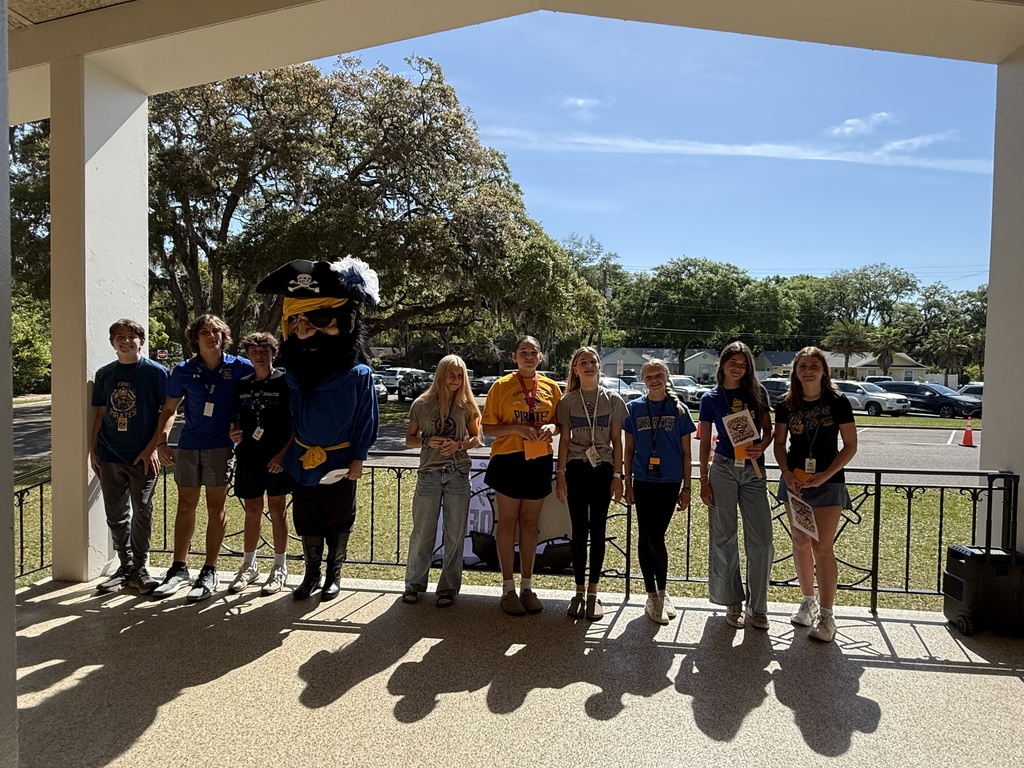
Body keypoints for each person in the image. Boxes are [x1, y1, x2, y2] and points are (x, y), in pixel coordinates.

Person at [256, 257, 380, 601]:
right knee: (306, 519)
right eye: (295, 322)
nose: (304, 331)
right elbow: (291, 421)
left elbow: (366, 421)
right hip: (302, 460)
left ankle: (332, 577)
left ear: (348, 320)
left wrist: (358, 458)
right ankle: (310, 575)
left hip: (339, 460)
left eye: (318, 320)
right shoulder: (293, 377)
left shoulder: (359, 376)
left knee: (338, 519)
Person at [152, 315, 254, 601]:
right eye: (205, 332)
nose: (212, 336)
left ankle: (210, 570)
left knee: (215, 506)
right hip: (188, 446)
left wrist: (240, 426)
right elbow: (169, 409)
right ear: (195, 338)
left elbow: (253, 403)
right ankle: (179, 568)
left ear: (225, 336)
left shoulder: (240, 367)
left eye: (217, 331)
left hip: (221, 447)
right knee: (185, 505)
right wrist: (162, 442)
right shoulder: (183, 370)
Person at [773, 346, 858, 643]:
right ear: (795, 372)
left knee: (822, 547)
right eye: (802, 366)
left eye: (814, 366)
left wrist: (825, 475)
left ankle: (827, 614)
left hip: (828, 483)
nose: (808, 371)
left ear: (824, 370)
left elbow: (849, 445)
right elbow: (779, 443)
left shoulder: (838, 402)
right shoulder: (786, 404)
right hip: (795, 483)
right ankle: (807, 602)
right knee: (799, 542)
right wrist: (786, 473)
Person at [481, 336, 561, 616]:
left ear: (541, 357)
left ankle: (527, 586)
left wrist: (551, 427)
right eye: (523, 352)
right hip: (508, 461)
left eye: (534, 352)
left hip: (538, 459)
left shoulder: (551, 387)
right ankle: (507, 587)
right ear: (514, 357)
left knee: (530, 524)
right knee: (508, 522)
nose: (528, 356)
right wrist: (516, 429)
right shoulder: (501, 386)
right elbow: (488, 429)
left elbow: (559, 423)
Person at [698, 341, 775, 630]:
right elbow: (704, 441)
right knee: (723, 536)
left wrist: (763, 446)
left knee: (762, 541)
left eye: (743, 363)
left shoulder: (757, 392)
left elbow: (769, 429)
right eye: (733, 362)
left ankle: (759, 606)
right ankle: (732, 602)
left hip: (754, 471)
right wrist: (703, 480)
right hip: (723, 470)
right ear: (723, 364)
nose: (738, 367)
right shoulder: (711, 398)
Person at [90, 318, 169, 594]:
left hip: (143, 456)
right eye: (119, 336)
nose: (125, 341)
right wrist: (93, 449)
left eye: (131, 336)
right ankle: (124, 566)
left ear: (141, 341)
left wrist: (153, 448)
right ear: (112, 342)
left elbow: (166, 414)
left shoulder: (156, 372)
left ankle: (140, 567)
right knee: (116, 513)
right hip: (109, 453)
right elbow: (100, 413)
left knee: (143, 510)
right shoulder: (104, 374)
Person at [402, 354, 481, 607]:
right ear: (441, 375)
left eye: (460, 376)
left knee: (455, 534)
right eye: (451, 375)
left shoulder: (468, 405)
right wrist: (428, 441)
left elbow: (477, 439)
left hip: (458, 473)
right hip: (429, 474)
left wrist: (458, 444)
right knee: (423, 532)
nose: (456, 380)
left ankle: (448, 588)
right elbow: (409, 439)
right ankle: (414, 584)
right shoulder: (421, 404)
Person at [555, 346, 626, 621]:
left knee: (598, 530)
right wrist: (560, 474)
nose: (588, 366)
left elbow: (617, 442)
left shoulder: (613, 399)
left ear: (599, 366)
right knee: (578, 531)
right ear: (575, 369)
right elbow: (563, 440)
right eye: (582, 362)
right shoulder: (568, 401)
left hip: (603, 470)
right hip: (575, 468)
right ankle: (579, 590)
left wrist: (618, 476)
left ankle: (594, 593)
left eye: (592, 361)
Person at [623, 359, 695, 625]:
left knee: (657, 537)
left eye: (658, 375)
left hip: (669, 481)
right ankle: (652, 595)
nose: (653, 379)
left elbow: (688, 455)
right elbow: (628, 451)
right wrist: (627, 483)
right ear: (643, 379)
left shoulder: (680, 410)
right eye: (648, 376)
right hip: (643, 480)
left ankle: (662, 593)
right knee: (647, 536)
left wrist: (687, 487)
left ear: (667, 377)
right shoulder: (633, 409)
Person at [227, 333, 294, 595]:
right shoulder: (241, 384)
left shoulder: (285, 381)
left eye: (264, 350)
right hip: (248, 457)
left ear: (273, 354)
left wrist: (283, 456)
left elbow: (295, 423)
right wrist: (232, 433)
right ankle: (249, 565)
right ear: (247, 354)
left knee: (277, 510)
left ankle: (279, 567)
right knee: (252, 510)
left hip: (277, 457)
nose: (258, 355)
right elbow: (236, 420)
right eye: (253, 351)